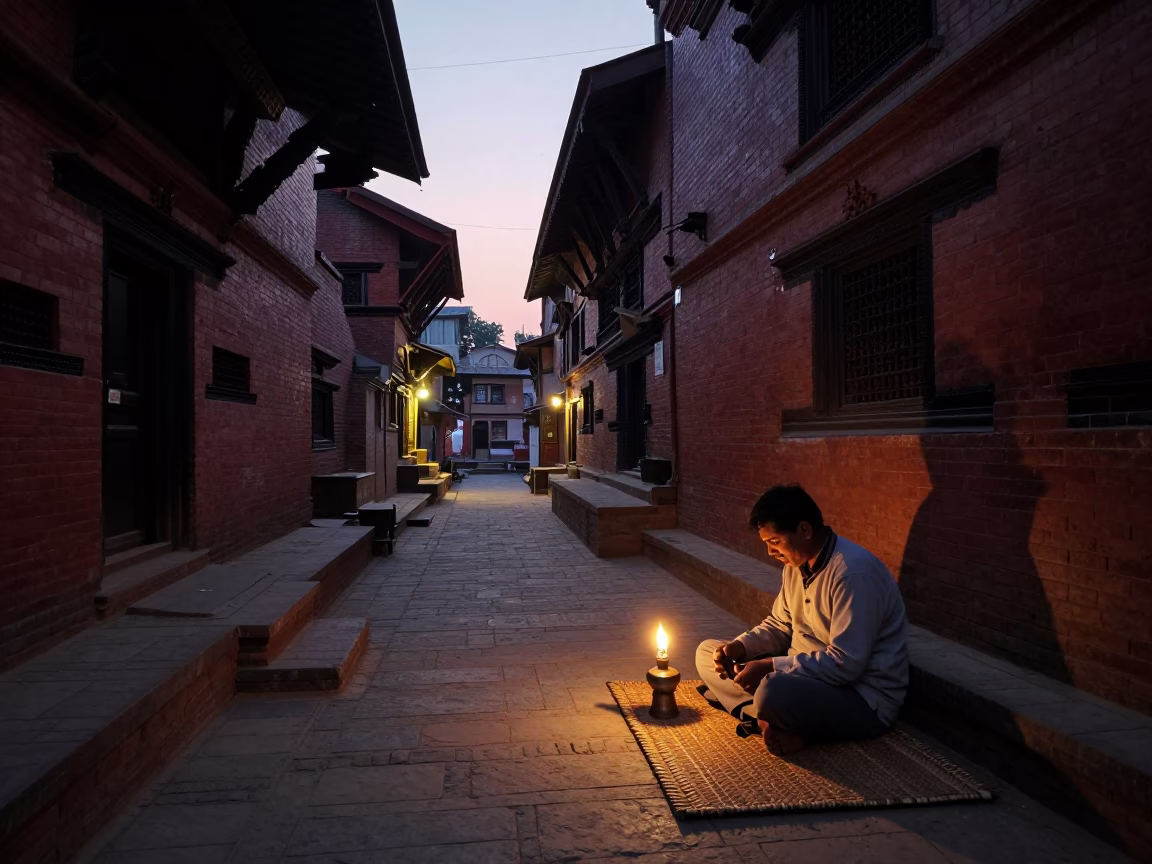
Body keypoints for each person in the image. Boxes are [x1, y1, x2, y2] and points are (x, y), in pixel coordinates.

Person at [695, 484, 909, 756]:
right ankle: (774, 721)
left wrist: (772, 665)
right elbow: (779, 625)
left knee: (772, 691)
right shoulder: (795, 566)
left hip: (860, 697)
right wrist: (741, 647)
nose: (770, 553)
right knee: (708, 652)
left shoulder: (853, 574)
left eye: (775, 542)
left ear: (804, 530)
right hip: (804, 677)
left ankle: (771, 715)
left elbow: (846, 665)